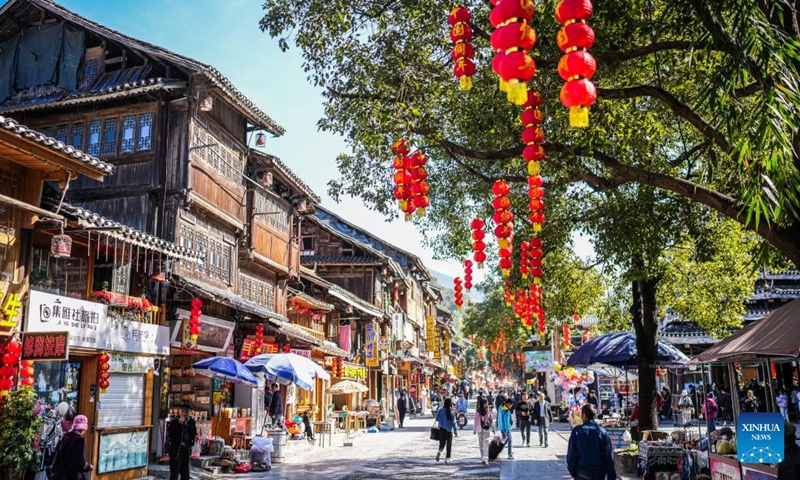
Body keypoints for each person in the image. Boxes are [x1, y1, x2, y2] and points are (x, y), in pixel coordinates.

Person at [566, 404, 617, 480]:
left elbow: (571, 455)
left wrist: (574, 473)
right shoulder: (603, 433)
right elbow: (609, 457)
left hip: (581, 474)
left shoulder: (577, 431)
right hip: (598, 474)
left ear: (584, 415)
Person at [53, 414, 93, 480]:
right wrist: (88, 466)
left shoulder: (66, 436)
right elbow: (78, 461)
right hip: (74, 476)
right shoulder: (79, 440)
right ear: (83, 429)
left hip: (62, 475)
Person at [167, 404, 197, 480]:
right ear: (179, 412)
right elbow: (171, 434)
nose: (184, 414)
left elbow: (193, 433)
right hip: (176, 450)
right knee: (174, 472)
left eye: (186, 412)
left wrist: (194, 438)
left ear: (190, 412)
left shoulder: (191, 422)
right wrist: (179, 425)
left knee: (185, 472)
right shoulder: (174, 421)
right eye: (182, 411)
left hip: (186, 450)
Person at [435, 397, 458, 463]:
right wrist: (455, 431)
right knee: (449, 444)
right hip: (449, 430)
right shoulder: (452, 412)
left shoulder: (440, 410)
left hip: (441, 429)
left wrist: (441, 420)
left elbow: (436, 419)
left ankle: (439, 451)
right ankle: (447, 458)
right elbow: (453, 423)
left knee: (442, 443)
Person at [474, 397, 494, 465]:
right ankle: (485, 458)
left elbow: (475, 421)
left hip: (479, 429)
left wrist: (474, 430)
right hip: (486, 429)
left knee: (481, 445)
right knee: (486, 444)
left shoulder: (477, 412)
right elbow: (491, 420)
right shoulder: (488, 411)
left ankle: (483, 458)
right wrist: (492, 427)